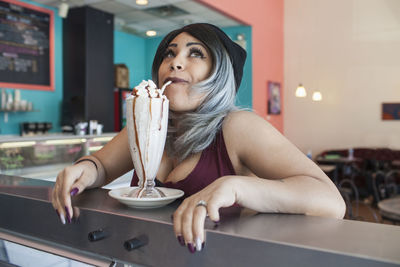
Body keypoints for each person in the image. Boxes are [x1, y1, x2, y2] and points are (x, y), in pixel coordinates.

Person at [52, 23, 345, 253]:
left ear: (221, 74)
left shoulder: (237, 126)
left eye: (195, 53)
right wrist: (84, 170)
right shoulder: (148, 122)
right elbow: (101, 167)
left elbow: (331, 202)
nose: (175, 62)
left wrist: (236, 186)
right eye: (170, 52)